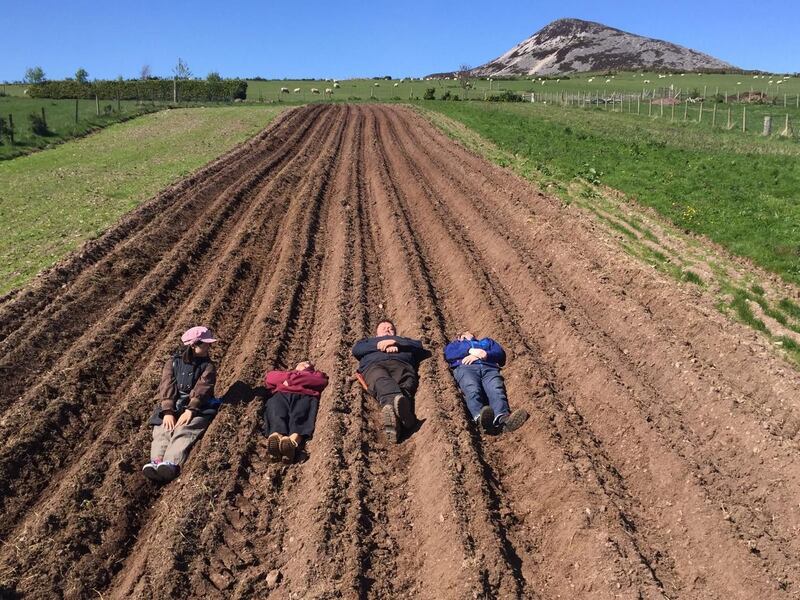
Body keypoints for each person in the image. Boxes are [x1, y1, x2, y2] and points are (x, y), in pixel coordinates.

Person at [142, 326, 219, 483]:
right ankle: (156, 461)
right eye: (205, 344)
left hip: (198, 407)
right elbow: (167, 385)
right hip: (175, 404)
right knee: (163, 428)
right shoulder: (173, 362)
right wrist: (168, 411)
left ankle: (171, 463)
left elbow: (202, 389)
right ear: (193, 345)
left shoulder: (208, 366)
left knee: (185, 429)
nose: (208, 347)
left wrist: (191, 410)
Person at [352, 319, 430, 443]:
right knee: (380, 379)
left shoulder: (403, 340)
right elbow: (357, 350)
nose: (387, 329)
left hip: (402, 365)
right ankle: (407, 419)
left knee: (406, 384)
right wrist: (380, 344)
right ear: (376, 333)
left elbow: (419, 346)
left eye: (390, 327)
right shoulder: (368, 342)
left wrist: (396, 342)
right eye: (383, 327)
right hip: (375, 366)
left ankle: (395, 424)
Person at [444, 331, 529, 433]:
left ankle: (502, 419)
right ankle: (480, 419)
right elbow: (448, 354)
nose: (470, 334)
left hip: (489, 368)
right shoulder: (456, 344)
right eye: (466, 333)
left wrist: (484, 354)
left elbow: (500, 354)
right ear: (461, 337)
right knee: (472, 389)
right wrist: (470, 350)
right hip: (466, 368)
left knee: (496, 389)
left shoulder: (487, 342)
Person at [263, 360, 329, 463]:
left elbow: (320, 381)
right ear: (296, 366)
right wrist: (300, 379)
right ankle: (276, 437)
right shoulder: (285, 373)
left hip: (305, 396)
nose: (305, 363)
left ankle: (292, 442)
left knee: (299, 416)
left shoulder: (315, 374)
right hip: (281, 395)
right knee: (276, 412)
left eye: (308, 363)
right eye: (302, 362)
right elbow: (269, 378)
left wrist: (289, 380)